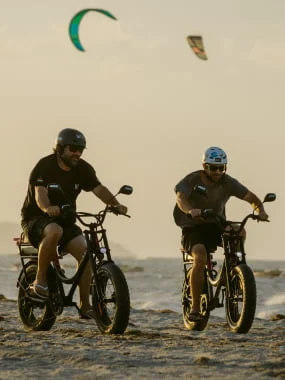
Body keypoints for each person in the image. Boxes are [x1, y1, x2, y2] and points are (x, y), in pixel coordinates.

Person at [21, 128, 128, 318]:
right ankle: (40, 280)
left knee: (85, 253)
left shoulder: (83, 169)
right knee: (53, 231)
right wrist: (47, 208)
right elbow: (40, 194)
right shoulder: (45, 166)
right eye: (72, 149)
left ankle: (85, 305)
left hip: (66, 219)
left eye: (80, 150)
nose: (77, 153)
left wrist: (116, 204)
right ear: (60, 148)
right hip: (37, 219)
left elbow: (99, 189)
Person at [173, 146, 268, 322]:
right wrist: (190, 210)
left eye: (221, 168)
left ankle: (230, 269)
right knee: (200, 258)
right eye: (213, 168)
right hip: (192, 225)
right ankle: (195, 307)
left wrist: (260, 210)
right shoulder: (192, 179)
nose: (218, 172)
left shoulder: (228, 182)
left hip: (215, 222)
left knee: (238, 231)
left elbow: (250, 197)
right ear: (204, 166)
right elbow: (180, 197)